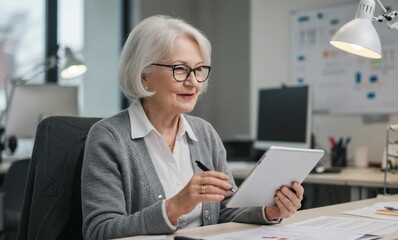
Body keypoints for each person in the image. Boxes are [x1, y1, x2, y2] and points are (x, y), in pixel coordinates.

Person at [81, 15, 304, 240]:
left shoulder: (204, 132)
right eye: (180, 69)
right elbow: (100, 231)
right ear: (144, 76)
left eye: (198, 70)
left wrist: (269, 212)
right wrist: (176, 206)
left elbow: (225, 210)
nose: (194, 82)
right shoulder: (108, 138)